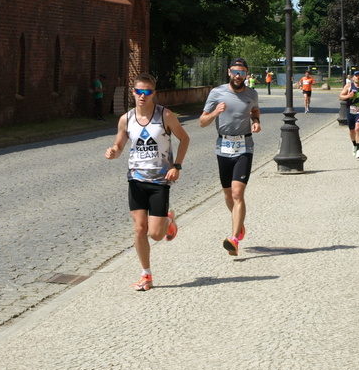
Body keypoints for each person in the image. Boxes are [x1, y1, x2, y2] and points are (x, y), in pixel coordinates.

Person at [104, 73, 190, 291]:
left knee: (156, 235)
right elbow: (120, 144)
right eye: (139, 91)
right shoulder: (126, 119)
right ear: (133, 92)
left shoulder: (165, 115)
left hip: (160, 180)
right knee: (139, 229)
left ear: (154, 93)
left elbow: (185, 139)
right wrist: (113, 152)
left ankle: (169, 222)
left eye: (147, 92)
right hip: (136, 179)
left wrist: (176, 166)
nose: (142, 96)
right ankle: (146, 275)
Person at [199, 57, 261, 256]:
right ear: (229, 72)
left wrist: (256, 120)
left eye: (242, 72)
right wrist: (215, 112)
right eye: (235, 71)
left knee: (237, 194)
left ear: (246, 74)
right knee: (227, 195)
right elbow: (202, 122)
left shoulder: (251, 94)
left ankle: (234, 239)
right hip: (223, 147)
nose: (238, 75)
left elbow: (255, 109)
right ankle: (239, 224)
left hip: (244, 146)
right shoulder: (217, 93)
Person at [339, 70, 359, 159]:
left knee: (357, 128)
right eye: (356, 76)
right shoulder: (348, 86)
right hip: (350, 110)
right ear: (353, 78)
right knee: (352, 131)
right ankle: (354, 145)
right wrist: (348, 96)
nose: (358, 77)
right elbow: (340, 97)